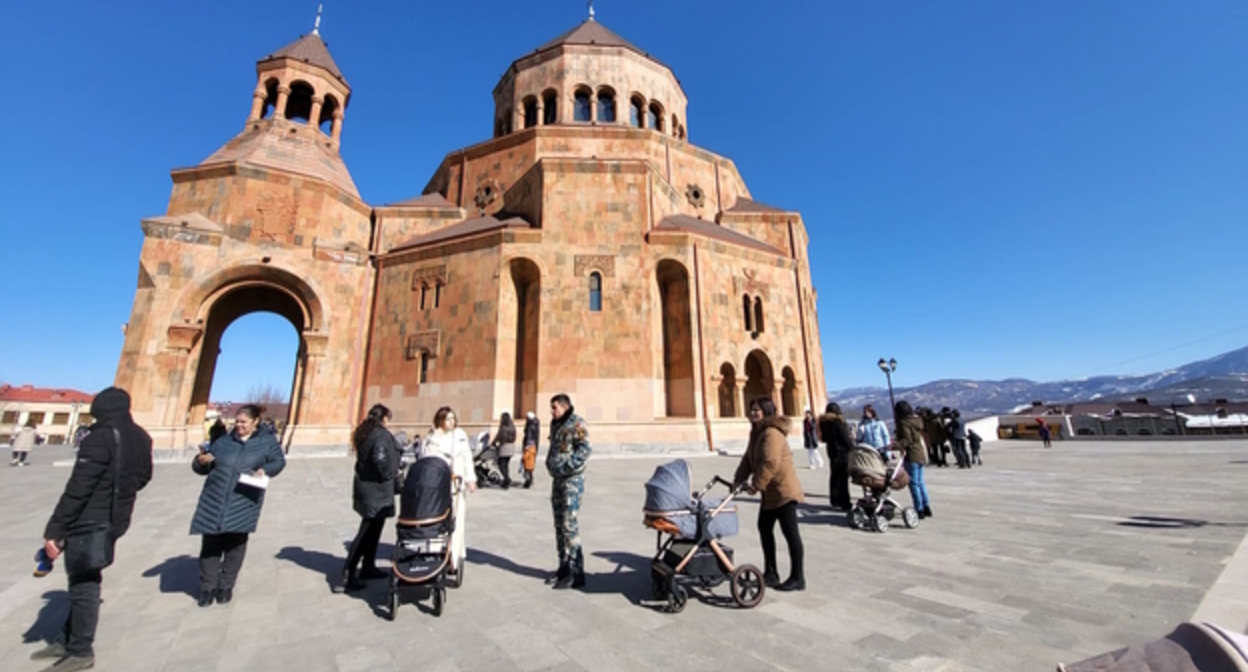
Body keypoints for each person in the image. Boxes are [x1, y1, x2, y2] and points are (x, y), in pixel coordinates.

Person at [33, 387, 152, 672]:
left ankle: (80, 650)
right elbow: (144, 476)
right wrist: (121, 495)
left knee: (84, 585)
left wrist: (55, 529)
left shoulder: (100, 437)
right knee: (85, 577)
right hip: (116, 517)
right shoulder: (141, 436)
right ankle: (66, 639)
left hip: (88, 519)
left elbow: (78, 488)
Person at [190, 404, 286, 607]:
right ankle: (207, 587)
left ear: (255, 422)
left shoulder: (266, 442)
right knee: (210, 545)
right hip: (215, 498)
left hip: (244, 498)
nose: (239, 426)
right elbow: (203, 466)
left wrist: (265, 469)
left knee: (235, 545)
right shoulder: (222, 441)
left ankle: (226, 585)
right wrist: (201, 462)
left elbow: (279, 462)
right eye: (237, 422)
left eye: (244, 422)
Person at [734, 397, 805, 592]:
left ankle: (798, 577)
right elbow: (748, 460)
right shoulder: (756, 433)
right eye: (751, 409)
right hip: (770, 493)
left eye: (756, 410)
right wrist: (738, 479)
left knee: (791, 534)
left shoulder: (772, 433)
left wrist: (756, 485)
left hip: (784, 491)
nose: (752, 413)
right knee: (764, 528)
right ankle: (771, 573)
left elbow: (771, 463)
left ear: (766, 411)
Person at [335, 404, 401, 593]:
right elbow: (379, 459)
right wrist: (390, 474)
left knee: (374, 529)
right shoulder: (380, 434)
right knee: (366, 531)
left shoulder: (365, 432)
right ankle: (346, 574)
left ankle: (368, 566)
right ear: (384, 418)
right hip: (377, 490)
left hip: (366, 487)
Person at [420, 407, 477, 581]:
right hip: (437, 487)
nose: (451, 422)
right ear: (440, 421)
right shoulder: (432, 438)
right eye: (447, 419)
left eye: (453, 418)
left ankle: (454, 556)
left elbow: (467, 457)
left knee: (456, 522)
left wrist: (470, 479)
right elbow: (425, 459)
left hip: (456, 486)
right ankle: (436, 555)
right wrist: (434, 437)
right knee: (438, 521)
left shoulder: (460, 436)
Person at [546, 393, 592, 590]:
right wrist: (551, 464)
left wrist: (567, 467)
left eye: (555, 407)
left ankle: (576, 571)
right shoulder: (555, 424)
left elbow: (585, 449)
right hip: (557, 480)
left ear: (565, 407)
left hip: (572, 480)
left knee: (569, 524)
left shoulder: (577, 423)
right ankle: (563, 565)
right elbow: (554, 448)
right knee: (558, 523)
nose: (552, 411)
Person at [894, 401, 932, 519]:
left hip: (911, 455)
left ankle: (919, 508)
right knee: (920, 482)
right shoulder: (917, 421)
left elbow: (907, 439)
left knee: (913, 483)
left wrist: (897, 444)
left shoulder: (904, 423)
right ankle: (926, 506)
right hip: (920, 453)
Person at [818, 403, 854, 511]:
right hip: (842, 452)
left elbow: (823, 438)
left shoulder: (824, 423)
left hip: (832, 451)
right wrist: (852, 447)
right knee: (843, 477)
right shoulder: (838, 423)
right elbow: (845, 438)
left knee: (834, 476)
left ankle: (834, 499)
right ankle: (844, 501)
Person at [492, 413, 518, 489]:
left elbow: (499, 436)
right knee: (506, 465)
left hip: (504, 448)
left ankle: (507, 479)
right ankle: (506, 479)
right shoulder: (512, 427)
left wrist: (494, 442)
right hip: (511, 448)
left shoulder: (503, 427)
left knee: (501, 465)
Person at [521, 411, 540, 489]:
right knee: (531, 463)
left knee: (526, 462)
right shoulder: (536, 424)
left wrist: (526, 446)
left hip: (529, 446)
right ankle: (530, 478)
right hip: (534, 446)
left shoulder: (530, 426)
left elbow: (529, 436)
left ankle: (528, 480)